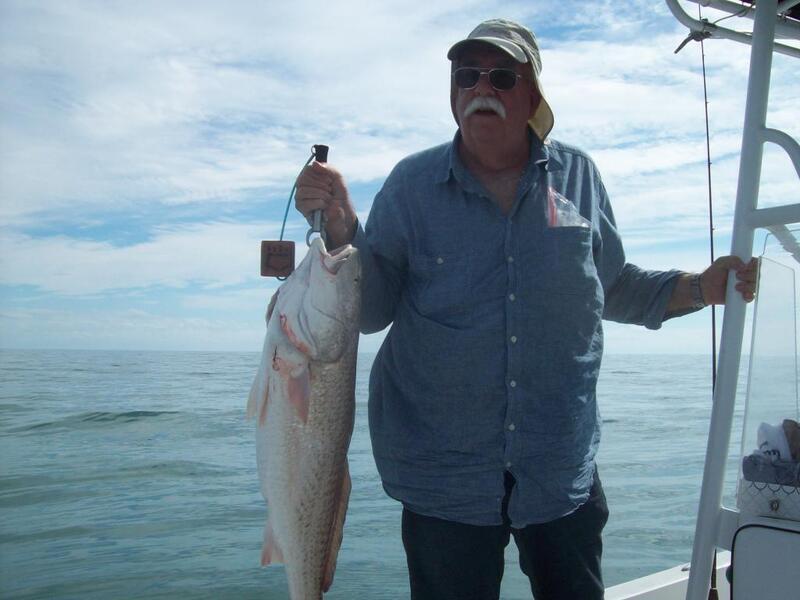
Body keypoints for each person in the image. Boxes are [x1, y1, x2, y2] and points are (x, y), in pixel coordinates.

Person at [295, 18, 757, 600]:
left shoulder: (580, 175)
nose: (482, 86)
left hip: (559, 464)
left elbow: (611, 286)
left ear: (534, 93)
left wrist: (701, 288)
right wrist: (340, 229)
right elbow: (372, 308)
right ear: (453, 92)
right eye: (468, 74)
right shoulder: (411, 185)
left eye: (502, 75)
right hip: (444, 472)